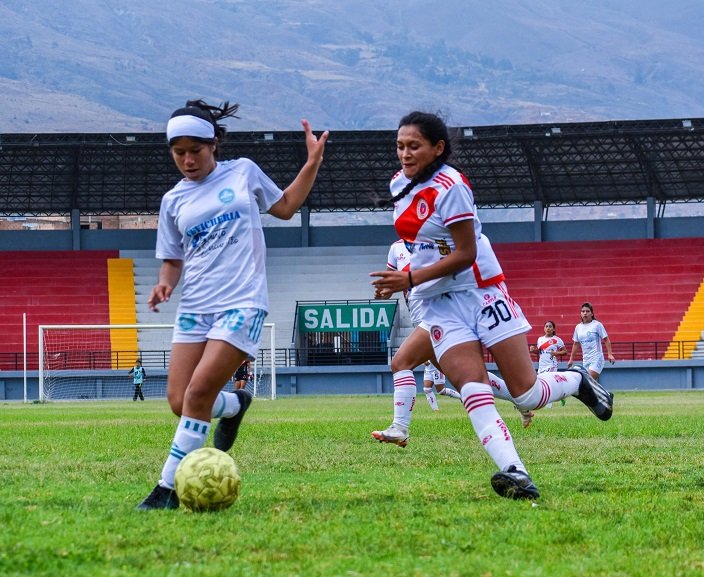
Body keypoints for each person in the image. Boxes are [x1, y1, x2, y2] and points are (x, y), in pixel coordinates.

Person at [370, 111, 613, 500]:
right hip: (439, 305)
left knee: (526, 394)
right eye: (400, 145)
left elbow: (465, 253)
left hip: (482, 294)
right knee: (471, 386)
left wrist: (410, 278)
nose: (404, 153)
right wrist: (404, 279)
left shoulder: (452, 187)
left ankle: (578, 379)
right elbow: (421, 246)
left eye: (413, 145)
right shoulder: (399, 185)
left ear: (438, 148)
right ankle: (516, 473)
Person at [137, 99, 328, 510]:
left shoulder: (243, 172)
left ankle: (166, 489)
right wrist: (164, 284)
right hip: (195, 306)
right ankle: (236, 403)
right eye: (179, 152)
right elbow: (172, 259)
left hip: (242, 301)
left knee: (199, 391)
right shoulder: (173, 201)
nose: (187, 160)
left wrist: (312, 161)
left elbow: (286, 206)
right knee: (180, 401)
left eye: (195, 150)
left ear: (214, 144)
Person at [372, 239, 535, 449]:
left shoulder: (434, 239)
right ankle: (521, 401)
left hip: (437, 316)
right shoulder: (396, 248)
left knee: (400, 363)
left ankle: (400, 427)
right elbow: (392, 281)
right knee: (467, 378)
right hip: (420, 320)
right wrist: (385, 291)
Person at [566, 303, 615, 381]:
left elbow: (606, 339)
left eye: (587, 311)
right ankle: (604, 393)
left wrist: (610, 354)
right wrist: (571, 359)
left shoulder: (597, 325)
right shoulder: (578, 327)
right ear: (580, 313)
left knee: (588, 380)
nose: (585, 313)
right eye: (583, 311)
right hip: (585, 360)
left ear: (592, 313)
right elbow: (576, 344)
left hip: (597, 358)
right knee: (589, 384)